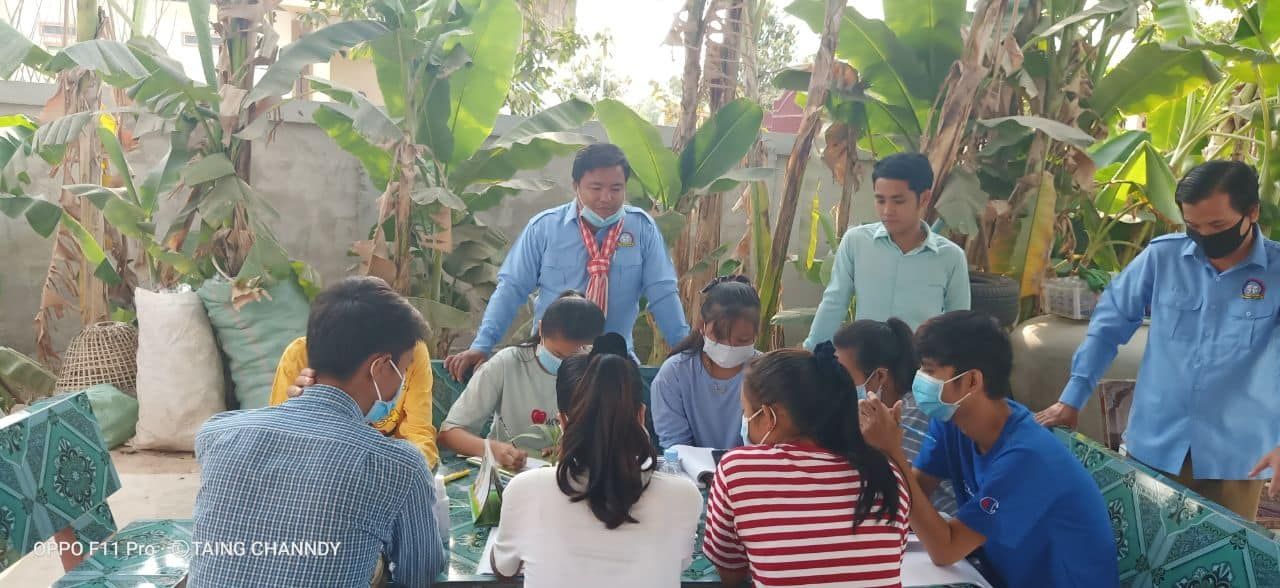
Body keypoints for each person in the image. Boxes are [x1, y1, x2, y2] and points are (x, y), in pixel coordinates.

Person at [1036, 160, 1280, 520]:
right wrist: (1071, 399)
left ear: (1252, 212)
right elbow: (1107, 326)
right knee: (1139, 547)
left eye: (1218, 226)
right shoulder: (1163, 257)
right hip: (1154, 444)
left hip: (1236, 458)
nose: (1206, 236)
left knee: (1220, 553)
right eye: (1193, 226)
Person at [190, 277, 444, 587]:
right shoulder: (399, 466)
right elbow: (419, 574)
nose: (402, 381)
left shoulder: (216, 435)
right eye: (402, 371)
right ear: (379, 367)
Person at [861, 310, 1117, 587]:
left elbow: (946, 549)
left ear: (972, 380)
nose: (920, 379)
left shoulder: (1027, 457)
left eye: (930, 370)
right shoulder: (951, 420)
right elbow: (915, 493)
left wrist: (892, 452)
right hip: (995, 573)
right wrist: (880, 450)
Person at [444, 143, 690, 380]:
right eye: (596, 188)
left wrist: (686, 353)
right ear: (576, 186)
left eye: (616, 189)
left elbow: (663, 294)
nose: (606, 198)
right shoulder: (544, 228)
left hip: (613, 364)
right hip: (549, 362)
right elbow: (512, 289)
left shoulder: (641, 229)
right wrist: (482, 345)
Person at [490, 333, 703, 587]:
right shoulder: (684, 496)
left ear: (563, 421)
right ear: (641, 415)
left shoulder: (526, 490)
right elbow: (681, 564)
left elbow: (504, 568)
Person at [702, 347, 910, 587]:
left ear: (769, 416)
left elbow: (731, 574)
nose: (745, 421)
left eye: (746, 412)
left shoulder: (738, 470)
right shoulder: (887, 474)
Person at [803, 152, 970, 349]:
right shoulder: (856, 242)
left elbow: (958, 326)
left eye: (898, 201)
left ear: (924, 198)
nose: (887, 210)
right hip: (864, 362)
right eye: (881, 200)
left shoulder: (950, 257)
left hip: (918, 364)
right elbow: (834, 303)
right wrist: (811, 353)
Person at [438, 291, 604, 470]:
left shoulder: (599, 372)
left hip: (567, 473)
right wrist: (493, 450)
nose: (564, 364)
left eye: (574, 359)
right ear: (541, 329)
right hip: (508, 471)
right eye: (557, 355)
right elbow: (449, 434)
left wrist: (575, 449)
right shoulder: (506, 363)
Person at [829, 318, 958, 515]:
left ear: (880, 376)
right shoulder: (880, 412)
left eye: (843, 375)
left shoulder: (913, 414)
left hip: (940, 520)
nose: (836, 384)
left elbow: (892, 490)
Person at [270, 335, 438, 469]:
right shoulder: (301, 355)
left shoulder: (410, 350)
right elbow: (281, 443)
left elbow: (419, 434)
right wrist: (304, 413)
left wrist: (404, 467)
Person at [651, 275, 760, 450]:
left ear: (756, 334)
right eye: (719, 337)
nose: (729, 347)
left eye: (742, 340)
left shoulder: (767, 374)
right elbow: (675, 444)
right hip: (689, 466)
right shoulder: (674, 374)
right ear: (702, 326)